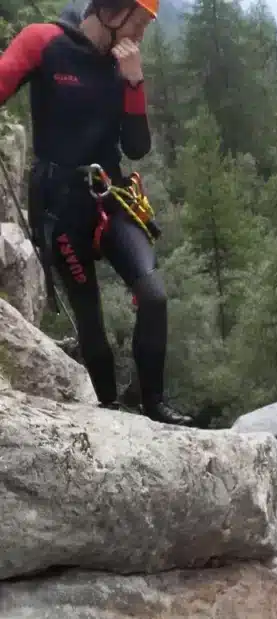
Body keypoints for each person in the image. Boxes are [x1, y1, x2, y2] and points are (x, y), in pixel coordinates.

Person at [0, 0, 192, 425]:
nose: (140, 36)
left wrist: (134, 82)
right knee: (90, 318)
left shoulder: (121, 65)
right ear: (111, 12)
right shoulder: (44, 43)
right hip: (60, 205)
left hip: (110, 196)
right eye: (138, 25)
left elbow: (137, 147)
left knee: (153, 296)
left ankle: (154, 406)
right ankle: (108, 410)